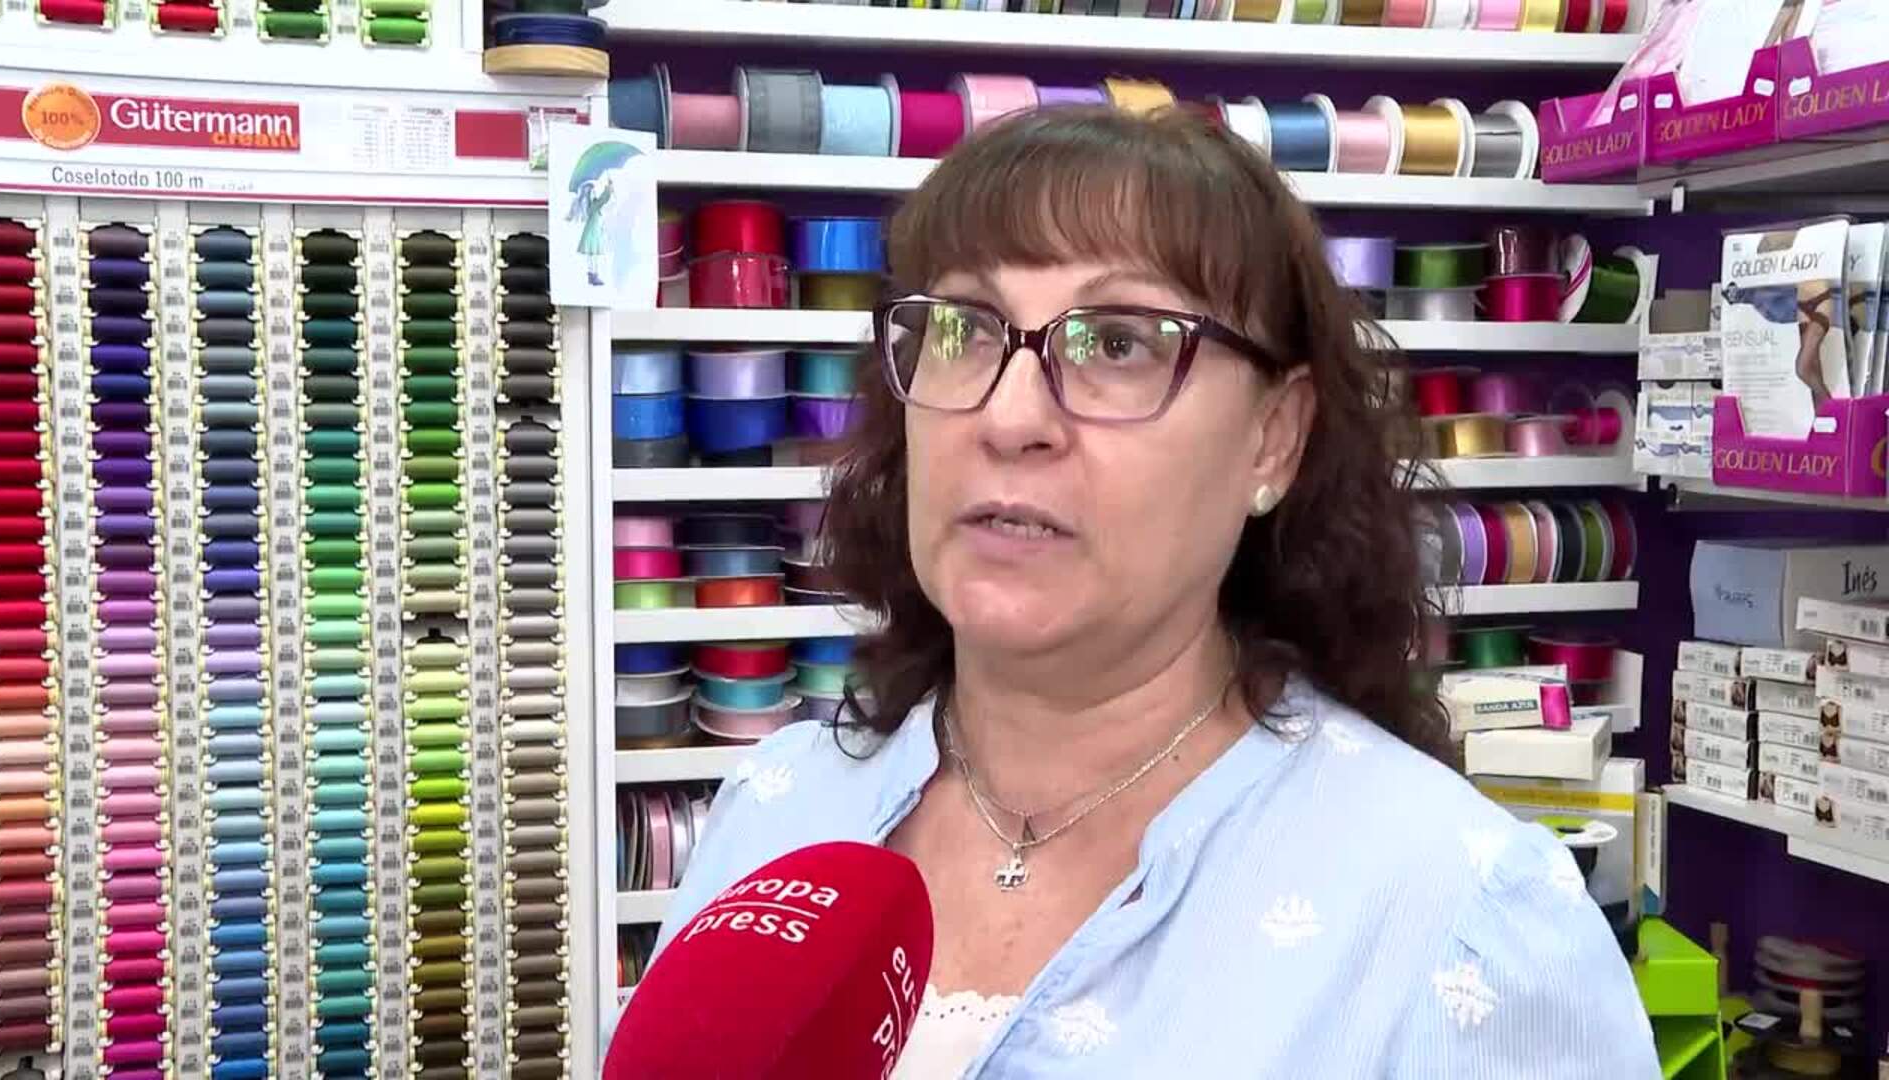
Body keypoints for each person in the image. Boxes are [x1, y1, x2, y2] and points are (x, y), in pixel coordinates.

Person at [654, 106, 1657, 1077]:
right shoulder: (776, 813)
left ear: (1274, 438)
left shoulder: (1457, 917)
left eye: (1118, 342)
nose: (1009, 419)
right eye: (964, 330)